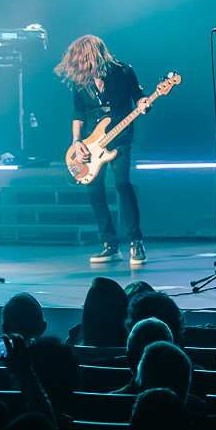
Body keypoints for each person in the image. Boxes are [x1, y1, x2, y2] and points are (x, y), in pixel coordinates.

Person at [55, 35, 150, 265]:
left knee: (122, 183)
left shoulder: (123, 71)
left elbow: (138, 97)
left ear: (94, 56)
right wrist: (77, 142)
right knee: (94, 189)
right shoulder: (80, 81)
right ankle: (109, 245)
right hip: (91, 143)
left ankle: (136, 242)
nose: (80, 64)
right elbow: (78, 114)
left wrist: (143, 103)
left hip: (120, 137)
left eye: (83, 59)